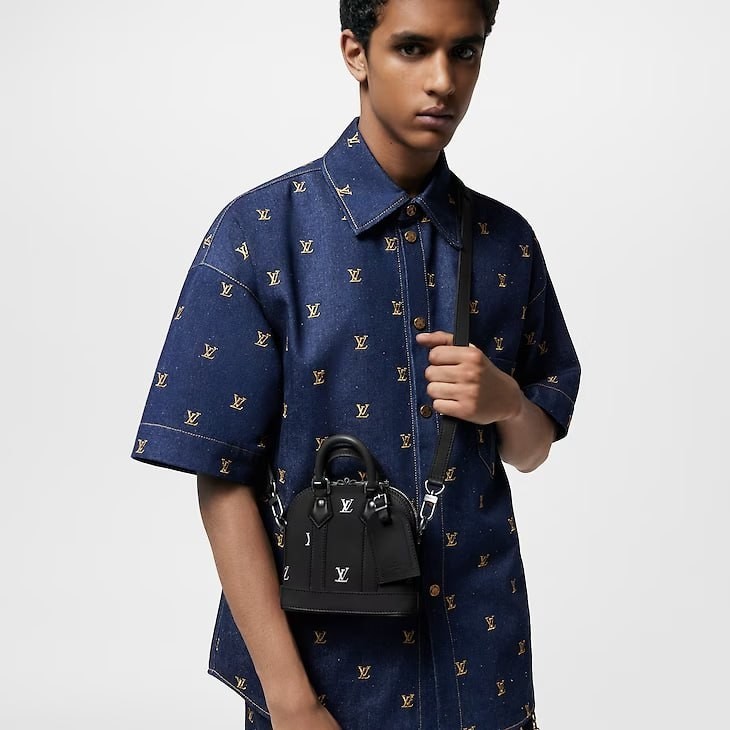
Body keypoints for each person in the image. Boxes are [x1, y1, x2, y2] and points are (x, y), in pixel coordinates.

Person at [131, 1, 580, 728]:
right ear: (355, 52)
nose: (443, 81)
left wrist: (505, 404)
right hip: (328, 685)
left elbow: (531, 450)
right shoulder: (259, 234)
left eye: (465, 52)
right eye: (413, 48)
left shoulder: (508, 242)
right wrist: (290, 701)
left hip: (483, 672)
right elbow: (221, 478)